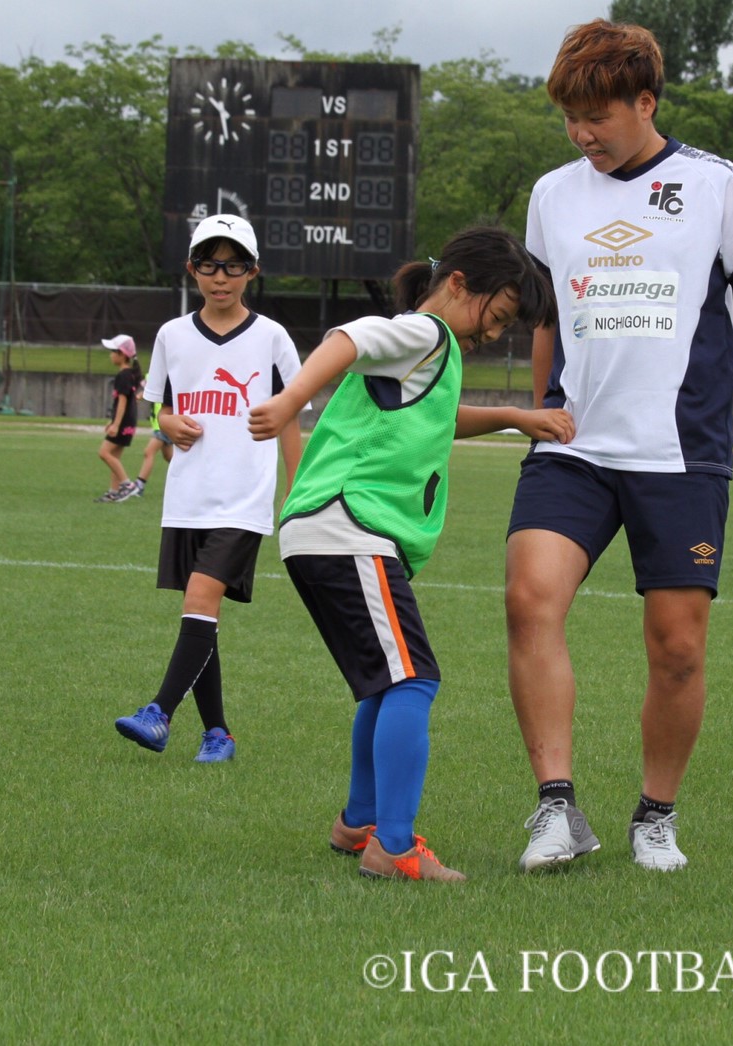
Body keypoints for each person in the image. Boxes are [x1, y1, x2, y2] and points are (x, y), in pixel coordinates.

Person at [506, 19, 733, 874]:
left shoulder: (714, 184)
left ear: (645, 102)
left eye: (597, 116)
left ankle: (655, 815)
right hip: (572, 443)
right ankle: (557, 808)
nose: (582, 135)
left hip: (680, 450)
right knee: (531, 600)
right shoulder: (551, 195)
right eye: (570, 119)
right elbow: (543, 317)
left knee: (677, 646)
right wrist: (539, 411)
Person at [248, 227, 564, 882]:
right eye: (498, 315)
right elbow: (349, 340)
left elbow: (436, 416)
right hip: (349, 527)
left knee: (385, 684)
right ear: (456, 285)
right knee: (414, 681)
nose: (494, 333)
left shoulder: (429, 359)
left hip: (325, 531)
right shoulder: (426, 334)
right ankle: (392, 845)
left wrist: (512, 416)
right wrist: (288, 401)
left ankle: (358, 821)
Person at [114, 214, 303, 763]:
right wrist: (164, 424)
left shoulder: (272, 338)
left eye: (234, 266)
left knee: (200, 601)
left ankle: (159, 713)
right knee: (203, 616)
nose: (221, 277)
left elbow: (292, 418)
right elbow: (162, 409)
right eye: (209, 265)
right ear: (191, 268)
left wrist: (300, 491)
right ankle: (218, 733)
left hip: (243, 501)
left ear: (253, 271)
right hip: (187, 497)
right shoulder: (172, 335)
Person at [96, 334, 143, 503]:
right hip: (129, 421)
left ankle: (127, 485)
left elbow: (122, 402)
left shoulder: (123, 375)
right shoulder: (130, 374)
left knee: (104, 453)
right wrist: (112, 420)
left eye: (113, 351)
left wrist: (116, 424)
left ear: (122, 354)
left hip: (123, 422)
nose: (110, 355)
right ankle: (113, 492)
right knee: (114, 456)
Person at [133, 401, 173, 498]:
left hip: (162, 426)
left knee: (148, 452)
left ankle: (139, 485)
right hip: (160, 425)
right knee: (169, 457)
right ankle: (192, 476)